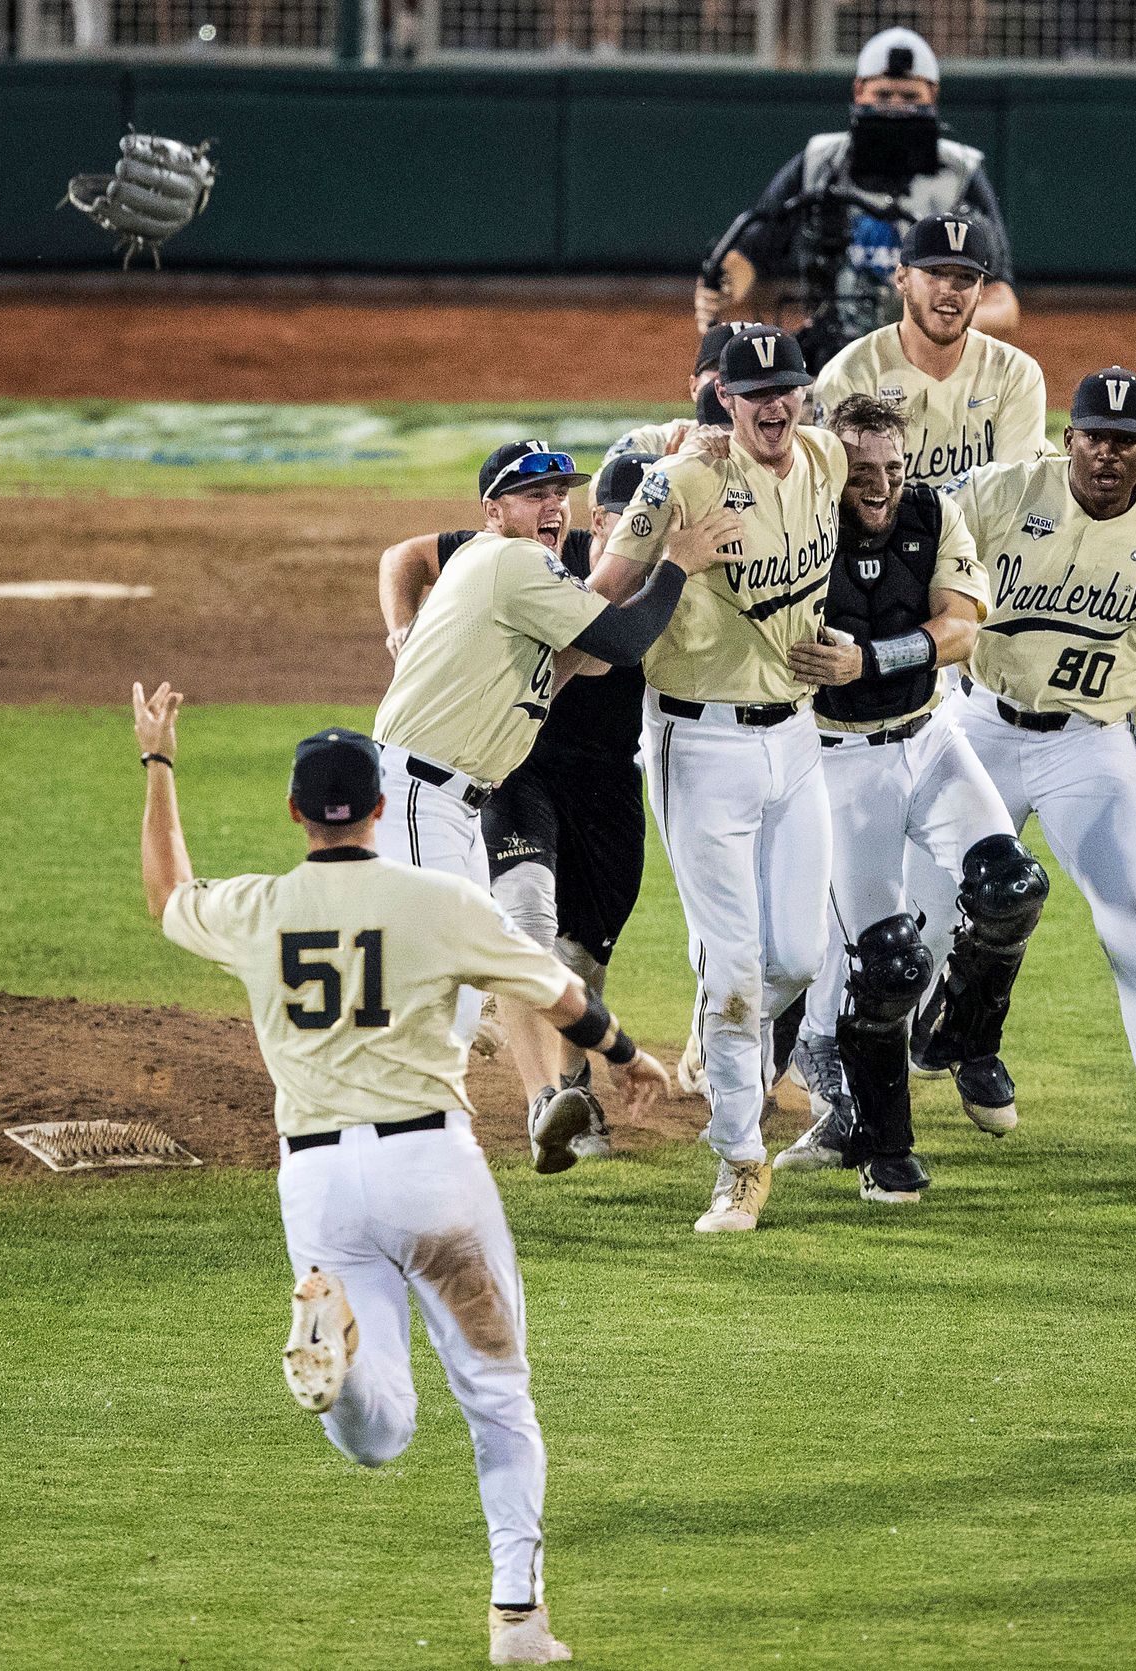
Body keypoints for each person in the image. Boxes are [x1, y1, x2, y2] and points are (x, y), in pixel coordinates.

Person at [134, 689, 660, 1663]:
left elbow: (168, 892)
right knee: (497, 1399)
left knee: (381, 1432)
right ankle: (518, 1620)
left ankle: (336, 1356)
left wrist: (158, 764)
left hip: (318, 1187)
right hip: (433, 1173)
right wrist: (627, 1055)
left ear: (295, 814)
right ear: (379, 808)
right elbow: (557, 994)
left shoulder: (260, 909)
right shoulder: (441, 902)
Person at [942, 366, 1136, 1202]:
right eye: (1094, 436)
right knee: (918, 916)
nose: (1108, 454)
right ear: (1068, 436)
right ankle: (903, 1077)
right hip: (977, 721)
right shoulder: (1002, 492)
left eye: (1126, 441)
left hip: (1090, 742)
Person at [372, 437, 724, 1156]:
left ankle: (546, 1104)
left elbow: (575, 662)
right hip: (419, 791)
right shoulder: (512, 561)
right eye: (534, 493)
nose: (552, 505)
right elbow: (621, 641)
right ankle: (384, 1137)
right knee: (444, 995)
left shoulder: (507, 568)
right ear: (493, 510)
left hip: (459, 798)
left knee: (507, 957)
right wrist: (679, 563)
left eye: (559, 491)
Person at [595, 325, 846, 1234]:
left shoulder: (823, 458)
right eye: (755, 392)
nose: (776, 404)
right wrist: (676, 556)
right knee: (737, 964)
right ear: (725, 401)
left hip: (798, 739)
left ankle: (719, 1028)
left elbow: (891, 468)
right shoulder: (679, 480)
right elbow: (601, 586)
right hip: (698, 746)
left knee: (801, 959)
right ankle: (739, 1159)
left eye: (788, 387)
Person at [765, 393, 1046, 1199]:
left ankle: (958, 1035)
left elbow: (962, 627)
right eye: (862, 471)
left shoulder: (933, 513)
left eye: (894, 467)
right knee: (887, 961)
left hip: (930, 737)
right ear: (830, 468)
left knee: (1011, 887)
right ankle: (885, 1152)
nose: (882, 485)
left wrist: (874, 659)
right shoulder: (796, 525)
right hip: (836, 761)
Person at [694, 27, 1017, 371]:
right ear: (859, 91)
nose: (895, 108)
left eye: (909, 97)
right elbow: (752, 250)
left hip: (925, 359)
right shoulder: (820, 161)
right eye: (883, 94)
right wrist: (722, 287)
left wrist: (937, 321)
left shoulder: (960, 173)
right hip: (830, 352)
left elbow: (1003, 303)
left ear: (932, 95)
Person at [812, 213, 1050, 489]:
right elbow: (843, 502)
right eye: (935, 273)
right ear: (902, 278)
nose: (950, 289)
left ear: (981, 289)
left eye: (966, 277)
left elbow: (1013, 494)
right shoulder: (851, 375)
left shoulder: (1016, 374)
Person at [603, 321, 755, 467]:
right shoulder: (653, 442)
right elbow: (602, 487)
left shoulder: (776, 452)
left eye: (749, 372)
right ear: (693, 386)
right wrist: (666, 476)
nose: (731, 379)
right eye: (719, 367)